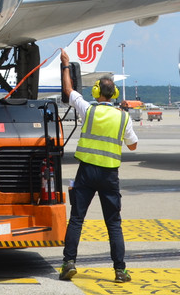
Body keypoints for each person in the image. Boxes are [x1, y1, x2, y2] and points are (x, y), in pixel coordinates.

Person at [58, 48, 137, 284]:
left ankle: (69, 263)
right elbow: (132, 146)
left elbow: (69, 91)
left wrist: (65, 64)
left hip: (86, 172)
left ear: (96, 92)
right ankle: (120, 271)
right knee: (113, 223)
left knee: (77, 219)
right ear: (114, 93)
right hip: (109, 175)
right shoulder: (123, 117)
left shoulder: (88, 110)